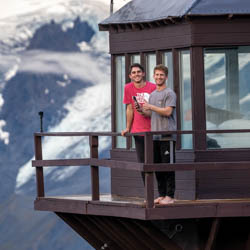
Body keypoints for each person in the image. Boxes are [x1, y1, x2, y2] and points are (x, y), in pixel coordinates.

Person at [142, 64, 176, 205]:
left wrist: (151, 107)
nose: (159, 77)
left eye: (161, 75)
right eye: (156, 74)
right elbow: (150, 114)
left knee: (168, 167)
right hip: (154, 137)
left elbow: (168, 112)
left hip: (167, 136)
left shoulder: (170, 93)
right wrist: (142, 109)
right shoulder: (152, 95)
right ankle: (161, 195)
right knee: (157, 168)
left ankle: (170, 196)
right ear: (153, 76)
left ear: (166, 77)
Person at [121, 63, 156, 179]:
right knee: (142, 164)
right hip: (138, 131)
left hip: (154, 131)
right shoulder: (128, 88)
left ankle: (161, 194)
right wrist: (128, 128)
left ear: (143, 73)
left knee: (157, 162)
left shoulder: (153, 87)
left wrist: (144, 112)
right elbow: (130, 108)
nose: (136, 74)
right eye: (134, 73)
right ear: (130, 76)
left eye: (139, 72)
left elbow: (157, 110)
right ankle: (148, 194)